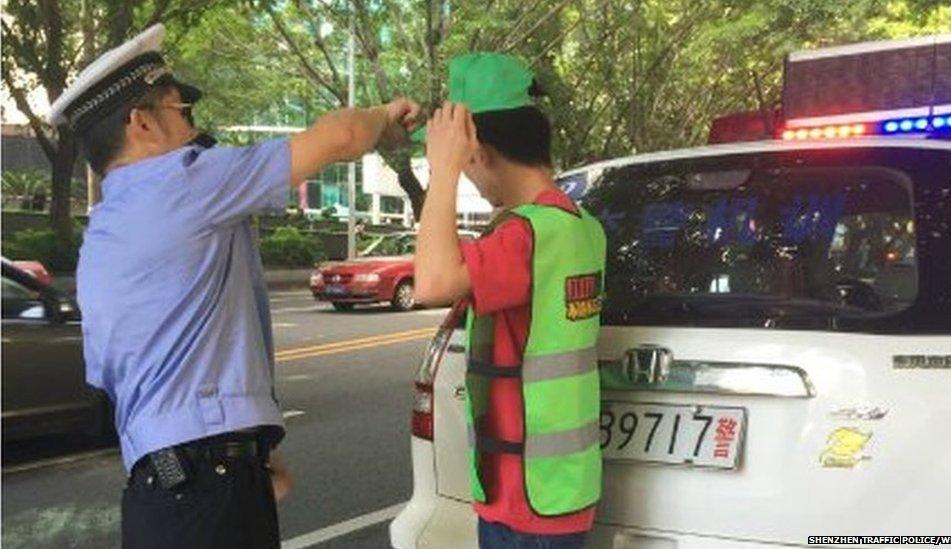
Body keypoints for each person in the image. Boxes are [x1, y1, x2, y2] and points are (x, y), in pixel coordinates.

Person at [48, 24, 419, 548]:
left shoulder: (102, 240)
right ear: (141, 122)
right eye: (183, 111)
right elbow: (337, 137)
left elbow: (137, 375)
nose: (195, 129)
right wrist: (384, 119)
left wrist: (253, 448)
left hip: (161, 499)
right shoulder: (184, 180)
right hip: (207, 497)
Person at [414, 53, 607, 549]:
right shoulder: (579, 226)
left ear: (478, 152)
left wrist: (443, 171)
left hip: (524, 499)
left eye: (467, 165)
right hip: (558, 485)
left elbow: (432, 282)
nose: (472, 181)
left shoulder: (525, 235)